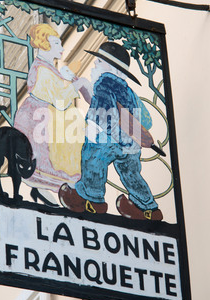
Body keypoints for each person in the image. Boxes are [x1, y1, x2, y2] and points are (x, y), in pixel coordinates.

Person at [59, 41, 163, 220]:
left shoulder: (103, 82)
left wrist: (93, 130)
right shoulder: (126, 89)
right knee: (130, 173)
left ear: (111, 67)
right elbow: (131, 114)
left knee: (93, 158)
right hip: (131, 142)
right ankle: (148, 207)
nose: (94, 65)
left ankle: (91, 199)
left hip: (109, 138)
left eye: (99, 62)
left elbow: (103, 112)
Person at [14, 23, 91, 195]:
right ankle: (60, 179)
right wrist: (77, 85)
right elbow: (58, 99)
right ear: (45, 43)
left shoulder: (47, 68)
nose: (62, 48)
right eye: (57, 44)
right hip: (42, 117)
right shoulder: (41, 69)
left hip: (50, 113)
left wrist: (68, 78)